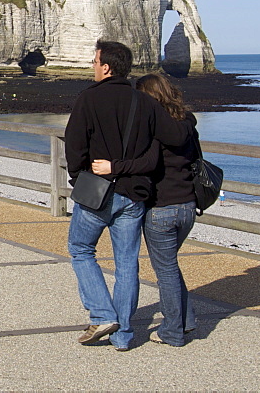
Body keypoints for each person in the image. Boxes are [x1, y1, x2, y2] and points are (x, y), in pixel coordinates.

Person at [64, 40, 190, 351]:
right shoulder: (144, 103)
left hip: (97, 192)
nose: (93, 66)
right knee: (126, 263)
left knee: (81, 250)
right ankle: (122, 337)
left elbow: (75, 146)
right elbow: (175, 135)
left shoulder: (87, 99)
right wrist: (188, 120)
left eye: (95, 61)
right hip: (134, 194)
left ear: (106, 66)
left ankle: (103, 314)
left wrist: (79, 179)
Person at [95, 73, 199, 347]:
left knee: (165, 270)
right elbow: (196, 160)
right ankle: (186, 320)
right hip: (188, 205)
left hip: (161, 207)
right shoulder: (187, 123)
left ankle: (173, 332)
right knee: (170, 266)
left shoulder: (154, 128)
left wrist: (113, 167)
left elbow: (148, 163)